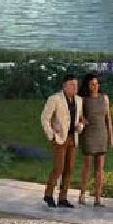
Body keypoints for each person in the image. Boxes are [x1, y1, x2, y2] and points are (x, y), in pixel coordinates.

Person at [39, 73, 82, 209]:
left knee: (69, 169)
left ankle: (63, 198)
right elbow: (45, 118)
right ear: (64, 86)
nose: (75, 87)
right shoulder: (55, 99)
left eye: (76, 85)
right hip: (59, 139)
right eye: (71, 85)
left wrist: (80, 126)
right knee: (58, 168)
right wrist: (51, 135)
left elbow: (80, 119)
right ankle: (48, 194)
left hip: (72, 138)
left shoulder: (79, 100)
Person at [76, 71, 113, 208]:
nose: (95, 86)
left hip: (101, 134)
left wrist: (111, 136)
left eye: (97, 84)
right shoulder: (83, 100)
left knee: (100, 168)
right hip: (88, 135)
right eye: (92, 84)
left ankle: (98, 198)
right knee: (87, 166)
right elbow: (78, 115)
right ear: (88, 86)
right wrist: (82, 120)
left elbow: (108, 118)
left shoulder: (104, 98)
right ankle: (82, 194)